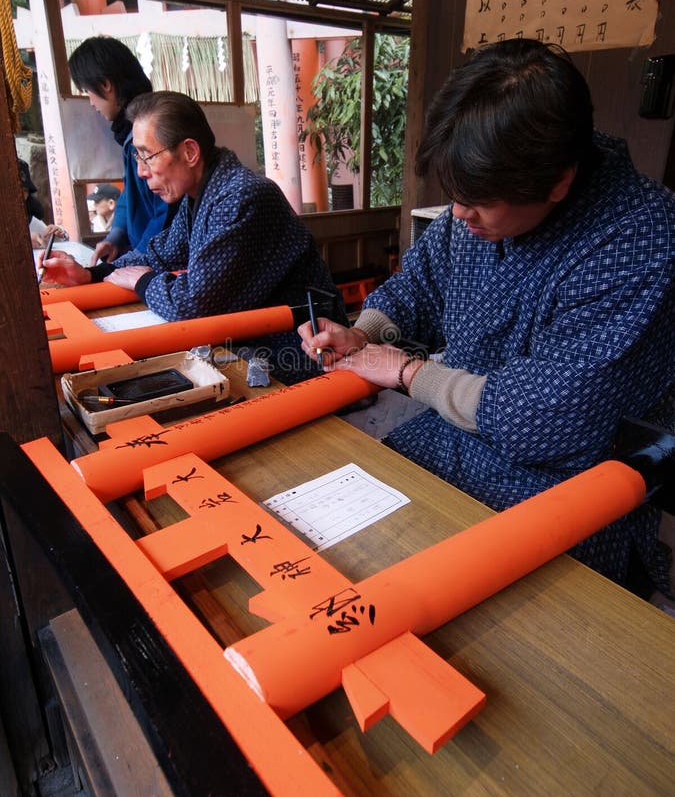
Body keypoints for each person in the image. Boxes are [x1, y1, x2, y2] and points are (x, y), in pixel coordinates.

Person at [298, 38, 675, 592]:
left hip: (564, 486)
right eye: (454, 193)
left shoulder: (642, 239)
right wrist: (362, 334)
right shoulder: (482, 204)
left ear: (558, 181)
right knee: (341, 548)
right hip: (453, 438)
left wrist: (406, 373)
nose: (456, 213)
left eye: (476, 200)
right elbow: (419, 286)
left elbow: (546, 419)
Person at [40, 90, 345, 383]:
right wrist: (92, 274)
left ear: (189, 152)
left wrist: (141, 280)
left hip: (299, 353)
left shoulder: (242, 196)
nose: (142, 172)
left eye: (148, 157)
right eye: (137, 159)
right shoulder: (203, 193)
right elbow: (158, 253)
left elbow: (194, 304)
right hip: (247, 344)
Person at [68, 37, 175, 262]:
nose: (90, 102)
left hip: (160, 260)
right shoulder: (128, 134)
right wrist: (115, 236)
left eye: (88, 91)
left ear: (106, 85)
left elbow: (166, 210)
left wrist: (135, 259)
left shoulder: (150, 131)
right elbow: (129, 193)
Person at [19, 158, 67, 247]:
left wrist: (58, 235)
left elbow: (55, 245)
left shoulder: (30, 221)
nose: (20, 195)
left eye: (24, 190)